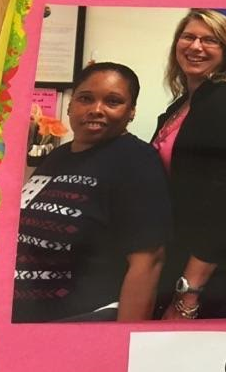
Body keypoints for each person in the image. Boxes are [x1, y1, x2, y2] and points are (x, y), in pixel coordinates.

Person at [13, 62, 171, 322]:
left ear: (131, 111)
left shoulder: (137, 161)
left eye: (113, 101)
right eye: (85, 98)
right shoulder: (58, 157)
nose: (96, 109)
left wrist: (122, 338)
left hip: (81, 323)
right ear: (70, 105)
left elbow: (148, 263)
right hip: (23, 318)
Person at [153, 9, 226, 320]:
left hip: (219, 275)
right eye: (188, 37)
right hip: (184, 255)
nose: (196, 46)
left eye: (210, 40)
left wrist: (188, 293)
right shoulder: (181, 105)